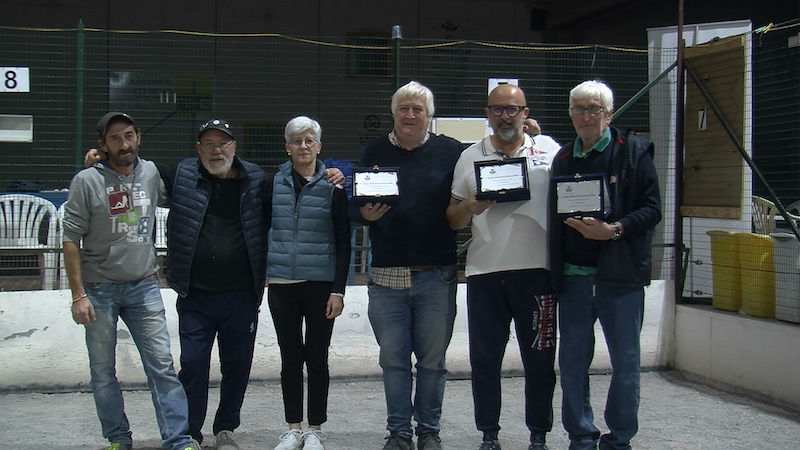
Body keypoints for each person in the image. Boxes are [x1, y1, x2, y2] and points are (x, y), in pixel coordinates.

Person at [82, 120, 345, 450]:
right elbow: (133, 165)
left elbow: (298, 192)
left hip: (241, 294)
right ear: (198, 149)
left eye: (223, 143)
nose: (216, 150)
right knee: (192, 364)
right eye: (208, 143)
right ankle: (191, 432)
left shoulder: (255, 180)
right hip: (195, 293)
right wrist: (101, 159)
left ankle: (225, 430)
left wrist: (331, 174)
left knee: (237, 365)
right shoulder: (182, 175)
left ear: (234, 147)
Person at [63, 112, 200, 450]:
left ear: (138, 136)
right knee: (102, 371)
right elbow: (70, 239)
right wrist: (77, 295)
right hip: (97, 289)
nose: (123, 144)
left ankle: (178, 439)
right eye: (114, 139)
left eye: (128, 136)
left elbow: (186, 193)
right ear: (102, 144)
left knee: (162, 366)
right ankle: (118, 439)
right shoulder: (86, 181)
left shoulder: (151, 173)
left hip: (144, 285)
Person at [348, 81, 463, 450]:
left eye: (418, 109)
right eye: (404, 108)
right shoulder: (374, 150)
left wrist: (530, 136)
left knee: (433, 363)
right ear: (394, 113)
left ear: (430, 115)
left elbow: (489, 162)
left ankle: (429, 431)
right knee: (394, 362)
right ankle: (399, 433)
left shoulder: (452, 152)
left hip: (437, 274)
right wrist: (363, 213)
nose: (410, 115)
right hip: (386, 276)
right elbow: (356, 205)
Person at [549, 80, 661, 450]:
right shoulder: (563, 159)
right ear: (570, 114)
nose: (585, 116)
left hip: (620, 278)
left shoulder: (634, 152)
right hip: (574, 280)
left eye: (593, 108)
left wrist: (613, 230)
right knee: (573, 362)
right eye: (579, 108)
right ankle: (580, 436)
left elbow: (652, 209)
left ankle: (619, 440)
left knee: (626, 363)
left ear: (609, 113)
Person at [447, 84, 560, 450]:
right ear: (487, 113)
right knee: (485, 360)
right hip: (485, 274)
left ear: (526, 113)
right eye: (497, 109)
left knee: (540, 359)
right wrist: (470, 207)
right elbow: (452, 219)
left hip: (538, 272)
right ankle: (489, 435)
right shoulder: (468, 157)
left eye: (513, 109)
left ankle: (538, 435)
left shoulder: (550, 152)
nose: (505, 116)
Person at [268, 116, 351, 450]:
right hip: (282, 285)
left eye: (309, 141)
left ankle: (315, 429)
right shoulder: (270, 184)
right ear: (287, 147)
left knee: (317, 357)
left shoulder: (335, 186)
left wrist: (338, 289)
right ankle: (293, 427)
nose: (303, 147)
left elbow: (344, 239)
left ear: (319, 146)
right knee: (290, 357)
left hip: (320, 286)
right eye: (296, 141)